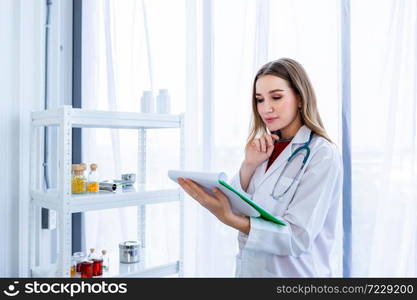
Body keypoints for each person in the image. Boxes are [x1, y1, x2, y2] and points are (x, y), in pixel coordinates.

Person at [178, 58, 343, 277]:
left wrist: (230, 219)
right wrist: (249, 165)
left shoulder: (321, 154)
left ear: (300, 98)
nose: (266, 108)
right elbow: (242, 207)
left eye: (276, 97)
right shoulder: (264, 149)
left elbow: (298, 237)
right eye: (259, 99)